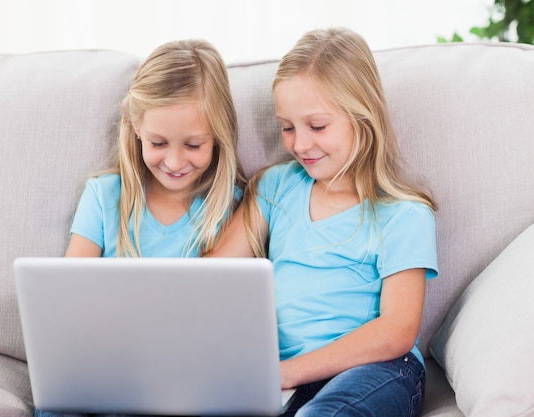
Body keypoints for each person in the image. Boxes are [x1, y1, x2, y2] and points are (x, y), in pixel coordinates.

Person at [207, 27, 438, 417]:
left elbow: (397, 331)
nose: (299, 144)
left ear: (361, 117)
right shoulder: (275, 188)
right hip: (281, 375)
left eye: (317, 126)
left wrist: (286, 372)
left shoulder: (404, 213)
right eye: (287, 127)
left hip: (376, 370)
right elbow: (211, 276)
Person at [34, 39, 245, 417]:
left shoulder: (234, 207)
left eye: (194, 145)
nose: (175, 161)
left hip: (189, 381)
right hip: (107, 368)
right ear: (135, 127)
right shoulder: (103, 196)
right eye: (159, 142)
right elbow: (67, 301)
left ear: (220, 134)